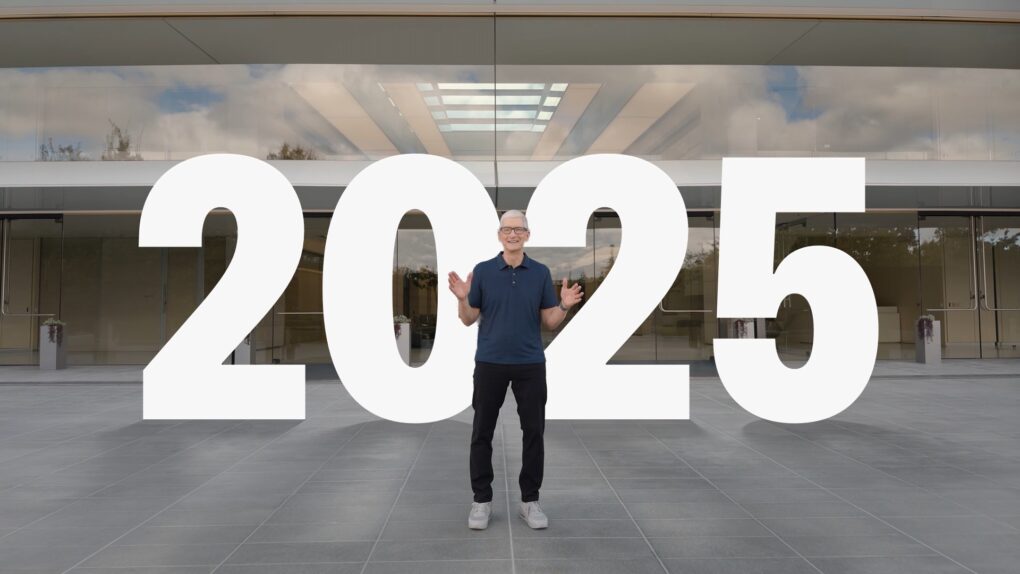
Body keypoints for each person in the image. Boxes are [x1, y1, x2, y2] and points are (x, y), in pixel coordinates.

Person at [447, 209, 583, 531]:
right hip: (490, 363)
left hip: (530, 365)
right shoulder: (482, 271)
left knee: (534, 433)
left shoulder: (539, 272)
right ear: (499, 235)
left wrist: (562, 305)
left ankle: (530, 501)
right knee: (482, 432)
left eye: (518, 229)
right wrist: (463, 299)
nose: (512, 234)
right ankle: (481, 501)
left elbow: (549, 321)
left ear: (527, 235)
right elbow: (467, 319)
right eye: (507, 229)